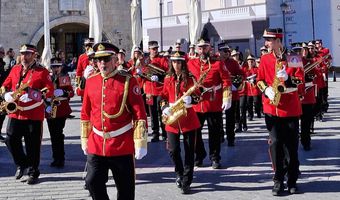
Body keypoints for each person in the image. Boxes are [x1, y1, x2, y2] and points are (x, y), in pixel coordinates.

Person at [80, 42, 148, 200]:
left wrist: (140, 142)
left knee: (125, 190)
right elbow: (85, 112)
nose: (102, 63)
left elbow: (139, 114)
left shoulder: (128, 81)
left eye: (106, 59)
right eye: (99, 60)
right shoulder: (91, 81)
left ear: (115, 60)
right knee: (92, 182)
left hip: (121, 144)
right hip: (97, 143)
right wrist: (84, 138)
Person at [257, 28, 304, 196]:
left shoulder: (293, 57)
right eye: (266, 40)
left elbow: (300, 82)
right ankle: (278, 180)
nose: (266, 43)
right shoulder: (264, 58)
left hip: (290, 109)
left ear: (278, 40)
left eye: (269, 40)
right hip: (271, 108)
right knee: (276, 144)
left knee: (291, 147)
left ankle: (292, 180)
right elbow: (259, 80)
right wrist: (266, 90)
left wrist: (289, 79)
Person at [1, 44, 54, 184]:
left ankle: (33, 172)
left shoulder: (42, 71)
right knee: (10, 140)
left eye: (28, 54)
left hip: (33, 114)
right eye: (23, 54)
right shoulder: (15, 68)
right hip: (16, 112)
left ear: (34, 55)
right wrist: (6, 94)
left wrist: (33, 95)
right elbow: (5, 84)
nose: (24, 57)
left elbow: (49, 90)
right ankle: (22, 163)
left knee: (33, 145)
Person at [187, 38, 232, 169]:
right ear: (196, 49)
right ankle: (199, 155)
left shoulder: (217, 63)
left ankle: (215, 157)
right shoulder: (191, 63)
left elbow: (226, 80)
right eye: (200, 48)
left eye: (205, 47)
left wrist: (226, 97)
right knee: (195, 131)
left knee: (215, 132)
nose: (202, 50)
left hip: (213, 102)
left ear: (210, 48)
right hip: (197, 103)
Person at [160, 51, 201, 194]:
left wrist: (192, 101)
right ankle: (179, 172)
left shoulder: (190, 78)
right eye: (174, 62)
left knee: (189, 151)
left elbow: (198, 96)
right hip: (172, 120)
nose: (176, 65)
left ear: (183, 63)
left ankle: (187, 180)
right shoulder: (168, 78)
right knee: (173, 150)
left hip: (188, 119)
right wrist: (164, 107)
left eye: (178, 62)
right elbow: (163, 96)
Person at [45, 58, 74, 168]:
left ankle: (60, 158)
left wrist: (63, 92)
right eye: (53, 66)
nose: (56, 68)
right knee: (53, 135)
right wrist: (45, 105)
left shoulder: (64, 78)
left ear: (61, 67)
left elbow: (71, 92)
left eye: (58, 66)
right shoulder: (47, 77)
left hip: (61, 109)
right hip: (49, 108)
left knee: (58, 134)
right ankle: (55, 158)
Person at [142, 41, 168, 142]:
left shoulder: (163, 59)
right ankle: (155, 133)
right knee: (152, 113)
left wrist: (159, 77)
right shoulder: (146, 60)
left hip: (160, 90)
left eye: (156, 48)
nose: (155, 50)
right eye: (153, 49)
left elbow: (167, 73)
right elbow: (143, 74)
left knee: (162, 111)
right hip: (149, 91)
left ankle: (165, 133)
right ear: (149, 50)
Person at [0, 46, 8, 142]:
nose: (2, 54)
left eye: (2, 52)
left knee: (2, 114)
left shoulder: (3, 64)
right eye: (1, 52)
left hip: (2, 93)